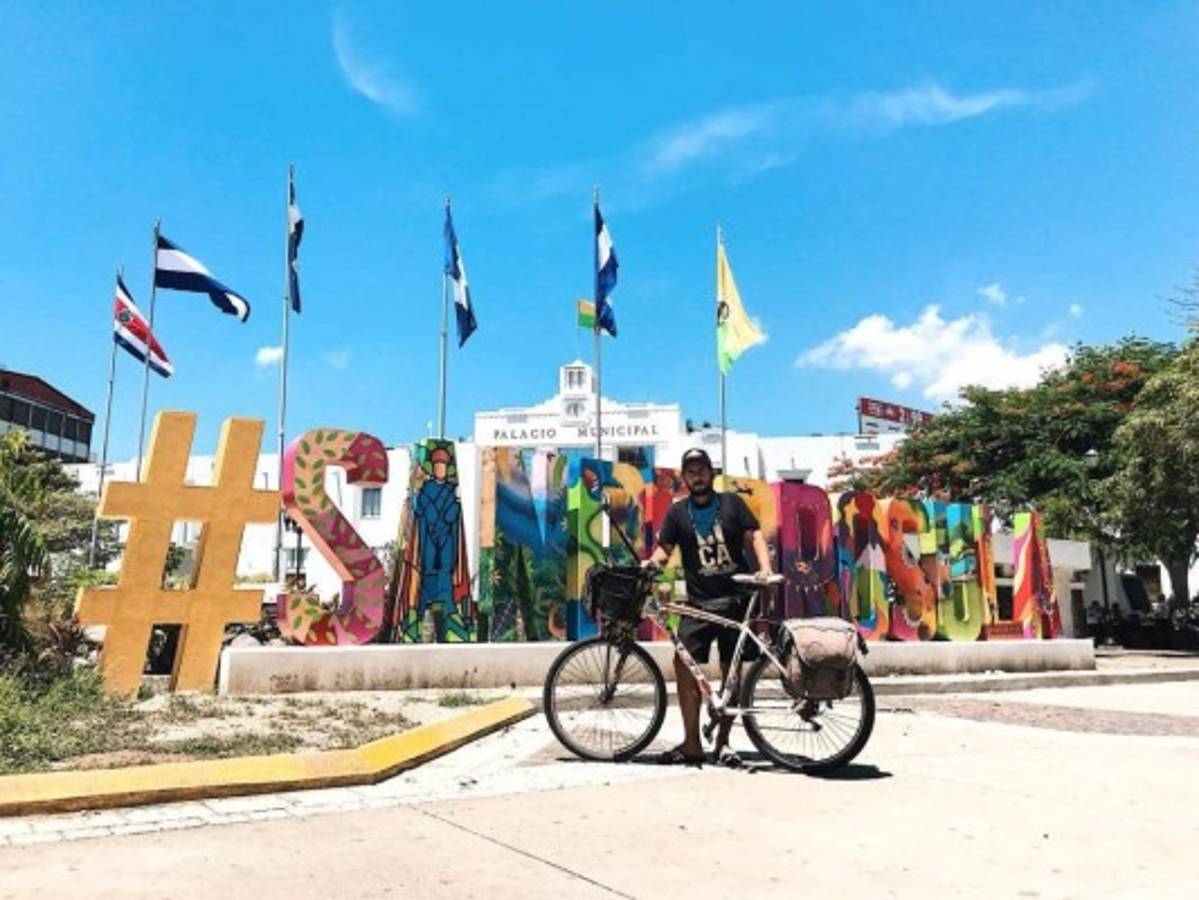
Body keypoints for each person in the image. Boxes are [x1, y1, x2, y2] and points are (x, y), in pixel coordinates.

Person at [643, 447, 774, 766]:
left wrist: (765, 567)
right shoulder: (677, 512)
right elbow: (665, 548)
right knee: (684, 666)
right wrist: (651, 563)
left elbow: (754, 534)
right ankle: (691, 744)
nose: (696, 476)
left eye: (701, 469)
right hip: (699, 603)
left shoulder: (732, 503)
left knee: (733, 673)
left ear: (711, 473)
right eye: (690, 471)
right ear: (684, 477)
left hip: (735, 600)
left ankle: (725, 744)